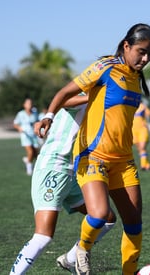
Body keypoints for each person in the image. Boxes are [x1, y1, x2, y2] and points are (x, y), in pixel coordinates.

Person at [36, 23, 150, 275]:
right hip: (93, 156)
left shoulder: (136, 78)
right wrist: (49, 115)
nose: (145, 58)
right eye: (141, 51)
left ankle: (129, 272)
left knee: (134, 224)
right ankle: (81, 249)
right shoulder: (105, 67)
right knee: (100, 214)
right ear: (126, 46)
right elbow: (65, 92)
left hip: (123, 161)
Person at [9, 94, 116, 275]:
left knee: (106, 218)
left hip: (73, 171)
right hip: (53, 168)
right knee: (43, 236)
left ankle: (71, 259)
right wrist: (95, 95)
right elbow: (63, 101)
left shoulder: (107, 104)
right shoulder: (85, 97)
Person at [13, 98, 39, 175]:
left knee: (36, 154)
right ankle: (29, 169)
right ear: (24, 105)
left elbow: (37, 122)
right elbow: (15, 124)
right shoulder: (20, 114)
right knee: (30, 152)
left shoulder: (35, 113)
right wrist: (19, 128)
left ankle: (27, 160)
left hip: (33, 135)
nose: (29, 105)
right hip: (25, 135)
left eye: (31, 103)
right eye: (28, 104)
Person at [132, 101, 150, 171]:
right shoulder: (131, 106)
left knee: (142, 147)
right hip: (134, 130)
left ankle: (143, 165)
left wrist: (148, 119)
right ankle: (147, 165)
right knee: (140, 149)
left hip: (142, 130)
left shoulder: (142, 106)